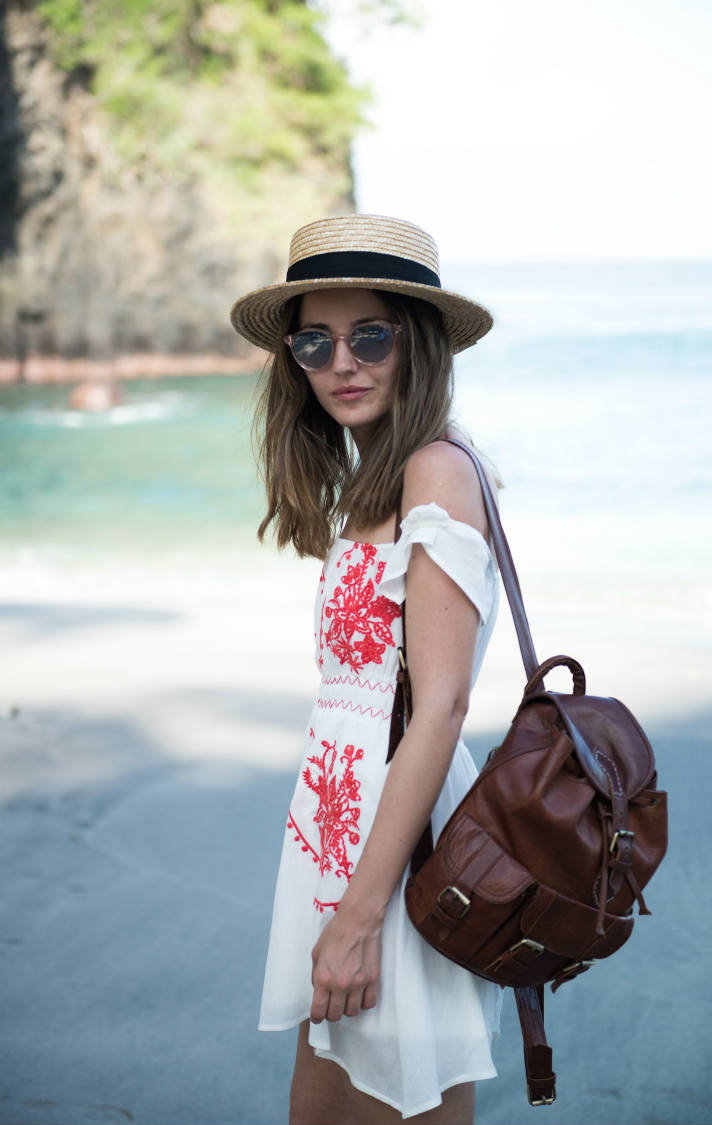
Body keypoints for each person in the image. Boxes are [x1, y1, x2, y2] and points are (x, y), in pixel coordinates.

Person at [230, 214, 502, 1125]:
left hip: (392, 862)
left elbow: (441, 705)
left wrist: (358, 913)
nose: (341, 361)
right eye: (315, 340)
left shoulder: (435, 471)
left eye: (369, 335)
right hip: (338, 846)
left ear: (415, 342)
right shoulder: (372, 483)